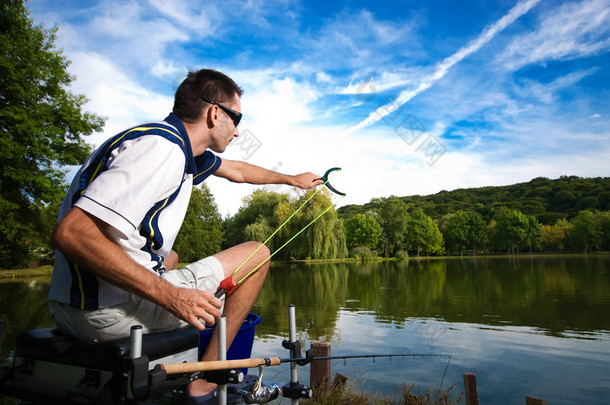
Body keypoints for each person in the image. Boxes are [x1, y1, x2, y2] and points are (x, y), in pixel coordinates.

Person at [48, 68, 322, 399]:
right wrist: (171, 296)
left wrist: (292, 180)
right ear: (215, 113)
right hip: (104, 314)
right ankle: (205, 381)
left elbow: (236, 170)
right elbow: (72, 234)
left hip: (70, 306)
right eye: (237, 119)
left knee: (170, 257)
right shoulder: (162, 150)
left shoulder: (165, 143)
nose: (237, 133)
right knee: (257, 254)